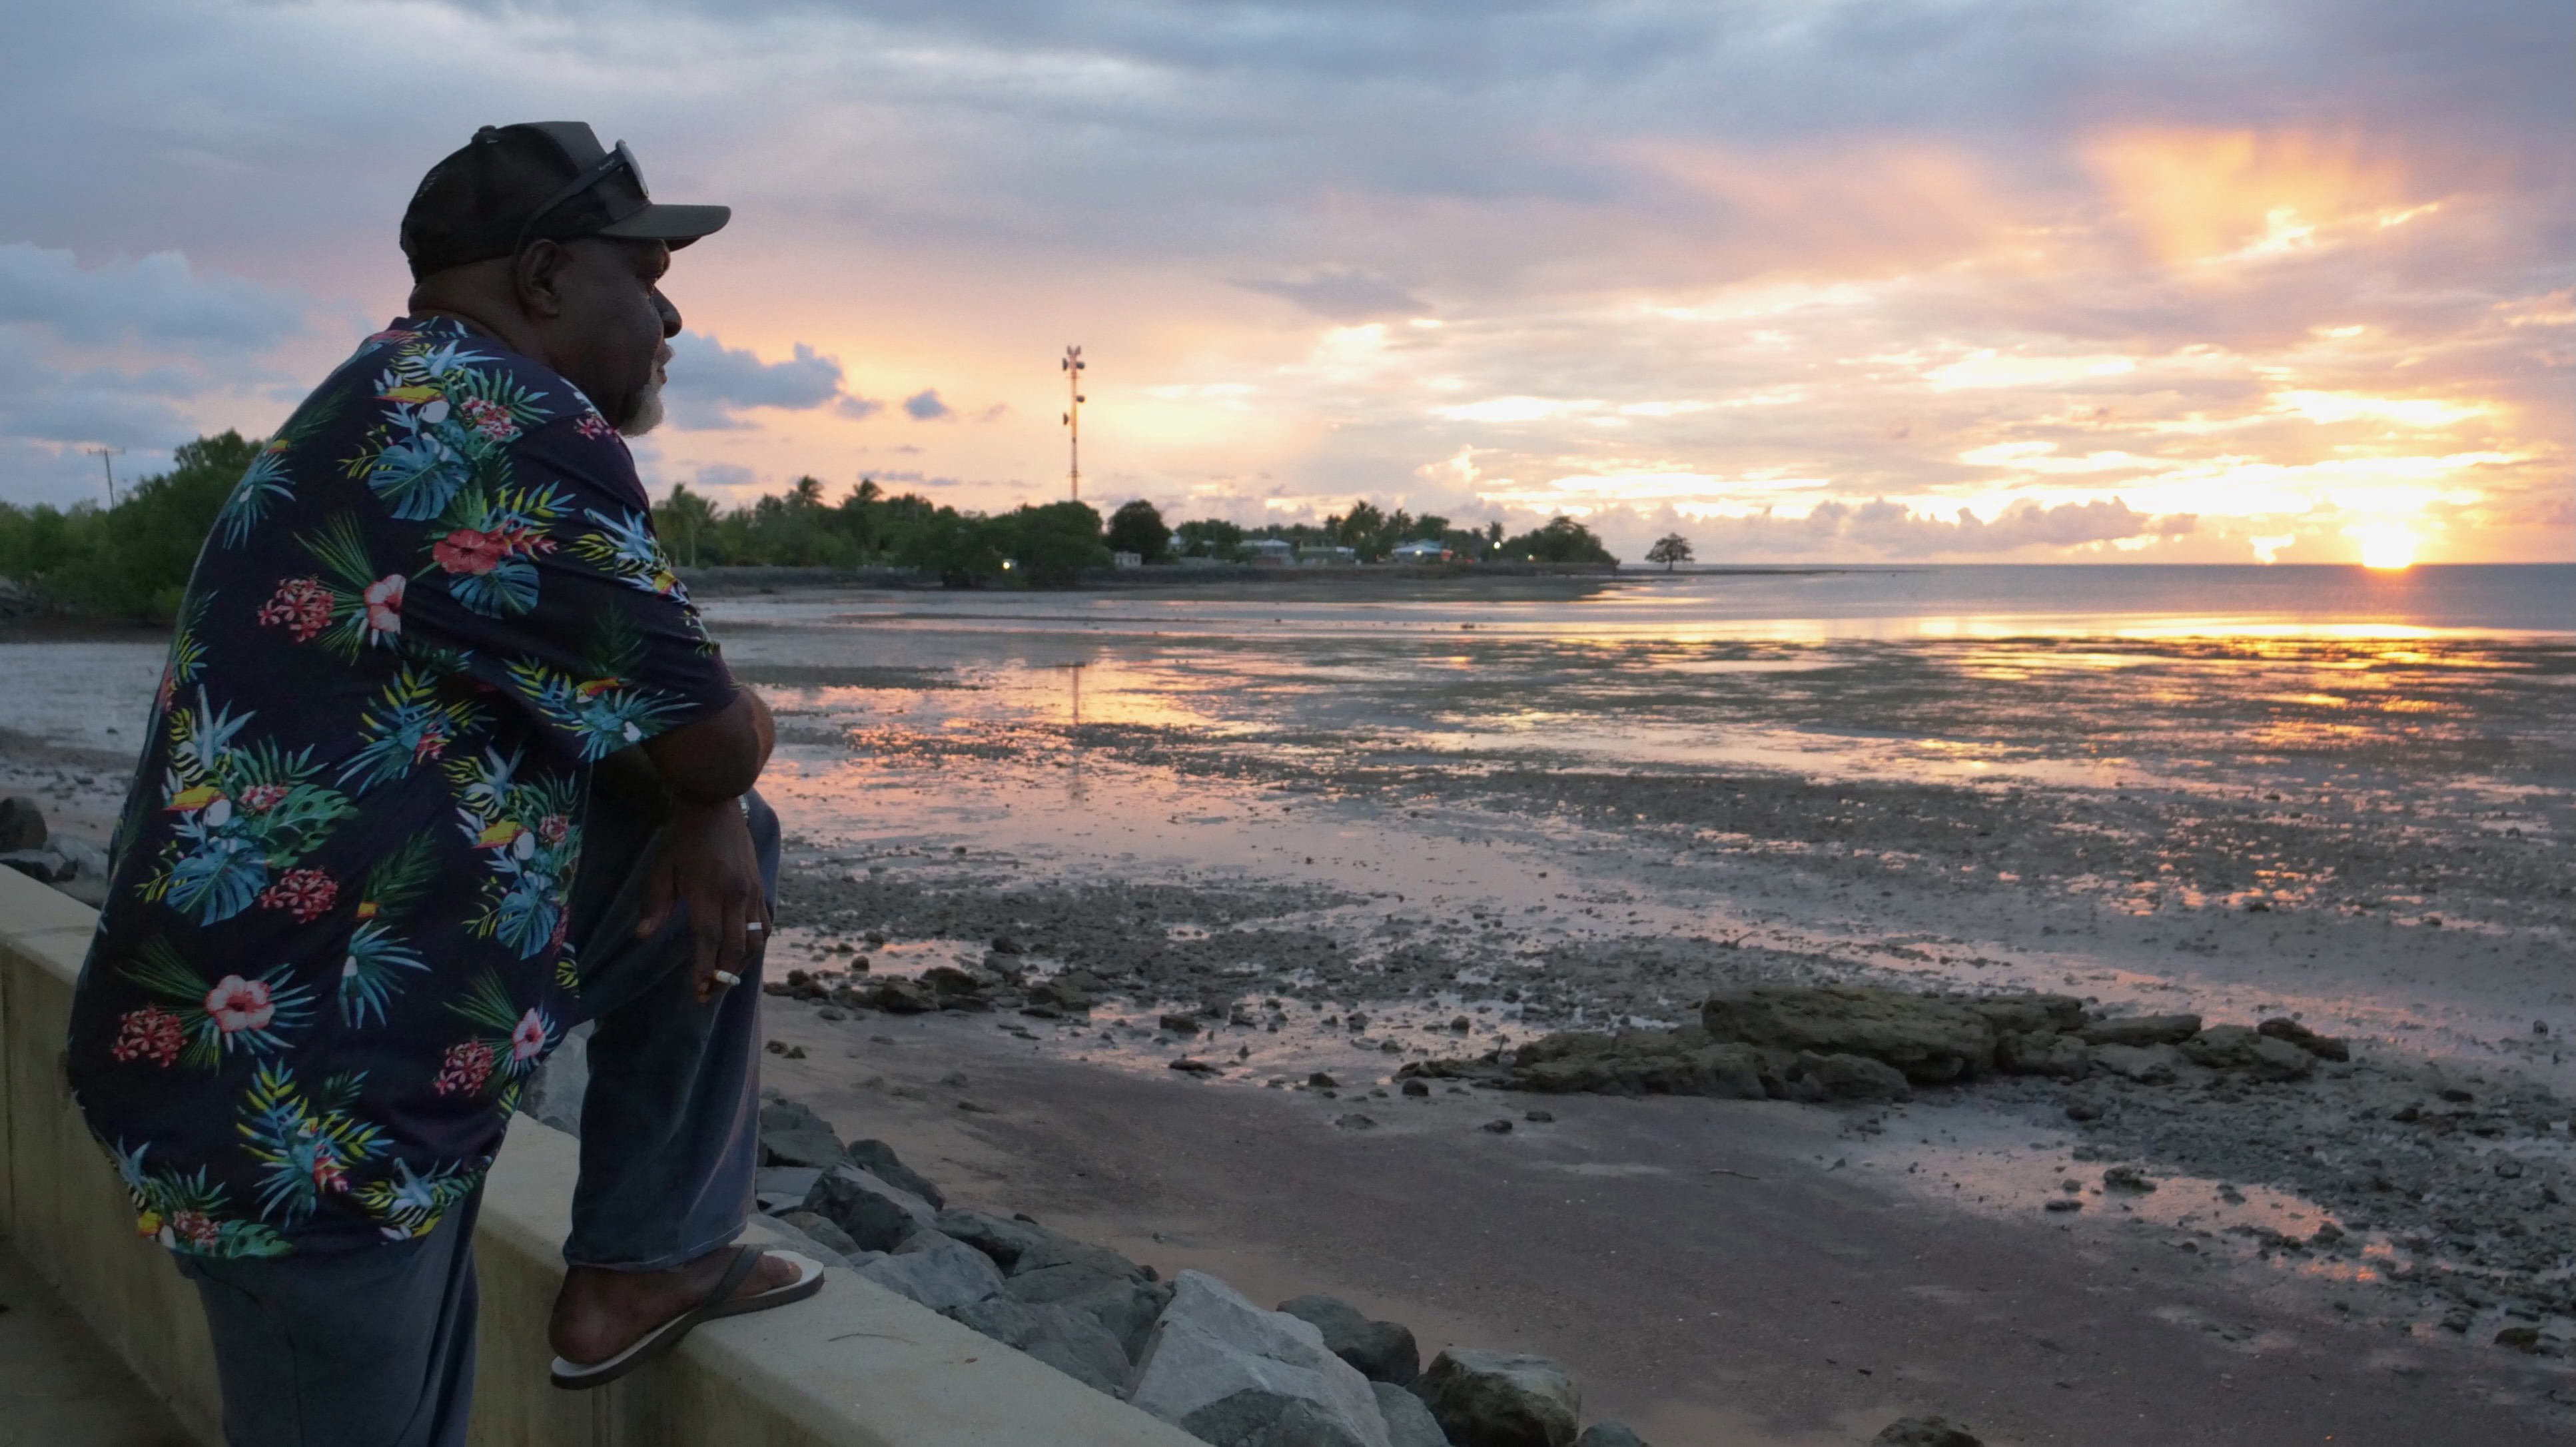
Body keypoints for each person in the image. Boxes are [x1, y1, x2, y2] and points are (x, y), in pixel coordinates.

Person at [61, 121, 821, 1446]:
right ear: (542, 278)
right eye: (644, 274)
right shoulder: (509, 425)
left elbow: (678, 755)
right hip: (306, 1094)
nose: (671, 310)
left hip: (341, 1021)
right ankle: (647, 1254)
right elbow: (712, 734)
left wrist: (703, 798)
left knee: (720, 828)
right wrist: (708, 779)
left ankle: (649, 1257)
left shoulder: (396, 388)